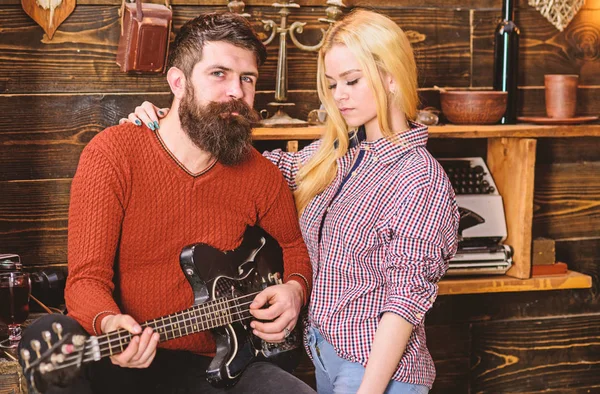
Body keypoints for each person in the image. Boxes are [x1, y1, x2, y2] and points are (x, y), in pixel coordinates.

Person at [125, 9, 459, 394]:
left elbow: (403, 305)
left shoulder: (420, 178)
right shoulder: (335, 155)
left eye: (352, 80)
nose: (340, 96)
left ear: (392, 78)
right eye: (332, 84)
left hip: (377, 372)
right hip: (323, 357)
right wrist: (176, 120)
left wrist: (368, 390)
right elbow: (254, 170)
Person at [60, 11, 315, 394]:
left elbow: (296, 247)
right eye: (219, 74)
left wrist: (295, 290)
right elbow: (85, 280)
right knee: (48, 333)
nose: (237, 92)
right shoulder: (113, 154)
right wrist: (111, 324)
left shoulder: (260, 174)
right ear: (178, 82)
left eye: (247, 78)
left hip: (221, 361)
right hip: (124, 361)